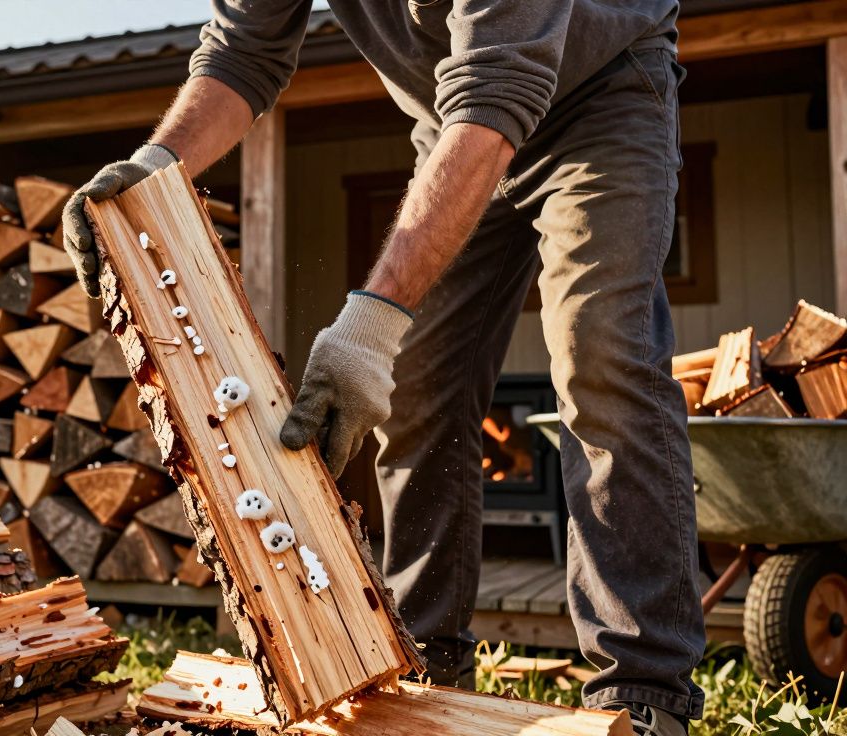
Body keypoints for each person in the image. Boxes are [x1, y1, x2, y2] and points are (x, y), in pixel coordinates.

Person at [61, 2, 704, 733]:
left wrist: (370, 326)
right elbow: (243, 51)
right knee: (423, 387)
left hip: (599, 95)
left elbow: (500, 86)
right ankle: (424, 663)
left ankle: (644, 690)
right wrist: (157, 166)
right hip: (452, 117)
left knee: (603, 359)